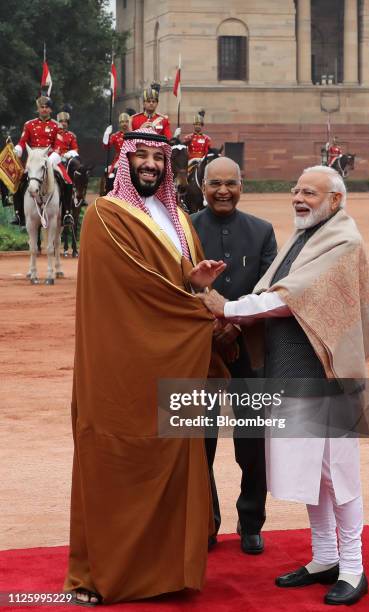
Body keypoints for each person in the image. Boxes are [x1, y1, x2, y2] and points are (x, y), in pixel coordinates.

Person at [200, 165, 369, 606]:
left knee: (339, 476)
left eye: (309, 192)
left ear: (335, 200)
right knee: (313, 475)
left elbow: (288, 298)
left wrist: (227, 307)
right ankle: (324, 557)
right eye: (295, 190)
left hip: (329, 379)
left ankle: (353, 567)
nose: (298, 198)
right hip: (294, 375)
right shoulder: (307, 236)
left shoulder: (343, 239)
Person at [64, 127, 229, 605]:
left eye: (159, 158)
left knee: (175, 458)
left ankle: (165, 573)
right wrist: (202, 313)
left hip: (172, 361)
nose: (152, 165)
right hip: (122, 364)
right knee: (117, 461)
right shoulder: (105, 217)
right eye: (143, 158)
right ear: (125, 162)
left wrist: (195, 281)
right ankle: (103, 575)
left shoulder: (178, 217)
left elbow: (174, 283)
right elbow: (134, 291)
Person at [191, 157, 277, 554]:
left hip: (248, 352)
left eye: (231, 183)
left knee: (252, 442)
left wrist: (234, 322)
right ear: (202, 185)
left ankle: (251, 520)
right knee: (197, 441)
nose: (223, 191)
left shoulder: (262, 232)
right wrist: (210, 324)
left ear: (242, 186)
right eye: (215, 184)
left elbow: (269, 290)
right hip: (197, 353)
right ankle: (205, 521)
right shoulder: (184, 228)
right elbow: (175, 285)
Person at [11, 96, 74, 226]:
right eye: (42, 107)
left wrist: (51, 159)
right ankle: (18, 214)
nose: (44, 110)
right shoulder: (29, 124)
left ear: (50, 109)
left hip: (50, 158)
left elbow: (59, 146)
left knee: (67, 181)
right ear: (38, 109)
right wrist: (17, 149)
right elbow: (22, 142)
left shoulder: (57, 126)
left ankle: (67, 213)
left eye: (46, 107)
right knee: (18, 181)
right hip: (33, 159)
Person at [102, 112, 130, 192]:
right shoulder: (115, 136)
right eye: (122, 122)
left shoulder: (133, 134)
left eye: (126, 121)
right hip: (119, 159)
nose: (124, 124)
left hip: (131, 158)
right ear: (119, 123)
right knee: (111, 175)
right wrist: (106, 135)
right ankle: (109, 192)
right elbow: (106, 147)